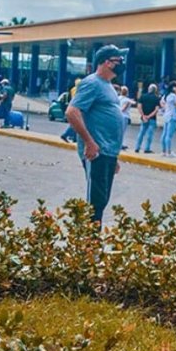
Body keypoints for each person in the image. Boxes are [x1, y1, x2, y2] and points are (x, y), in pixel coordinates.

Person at [64, 45, 128, 223]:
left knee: (102, 200)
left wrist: (114, 157)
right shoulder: (92, 83)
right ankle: (89, 245)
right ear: (107, 62)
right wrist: (89, 142)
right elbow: (72, 112)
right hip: (97, 152)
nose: (122, 64)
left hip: (108, 152)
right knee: (95, 203)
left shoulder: (107, 85)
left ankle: (92, 241)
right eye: (119, 61)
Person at [160, 81, 176, 158]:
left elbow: (161, 103)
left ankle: (163, 151)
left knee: (164, 134)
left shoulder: (166, 95)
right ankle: (168, 151)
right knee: (169, 135)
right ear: (174, 88)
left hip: (167, 115)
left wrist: (165, 108)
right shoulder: (173, 96)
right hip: (172, 116)